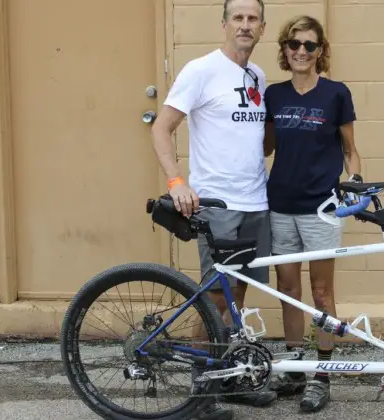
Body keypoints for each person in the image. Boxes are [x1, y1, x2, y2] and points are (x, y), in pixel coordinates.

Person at [151, 0, 276, 418]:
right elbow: (162, 128)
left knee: (236, 295)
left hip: (256, 202)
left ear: (262, 27)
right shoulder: (200, 70)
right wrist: (177, 182)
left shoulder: (256, 74)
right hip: (217, 204)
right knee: (212, 301)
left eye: (252, 18)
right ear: (224, 24)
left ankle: (226, 379)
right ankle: (199, 395)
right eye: (237, 18)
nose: (244, 25)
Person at [262, 15, 362, 413]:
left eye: (309, 45)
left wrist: (355, 184)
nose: (301, 51)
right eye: (294, 44)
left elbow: (350, 149)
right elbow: (265, 148)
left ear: (321, 51)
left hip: (321, 208)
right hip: (279, 206)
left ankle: (323, 374)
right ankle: (294, 368)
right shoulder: (274, 95)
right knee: (289, 290)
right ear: (285, 50)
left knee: (321, 291)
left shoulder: (336, 94)